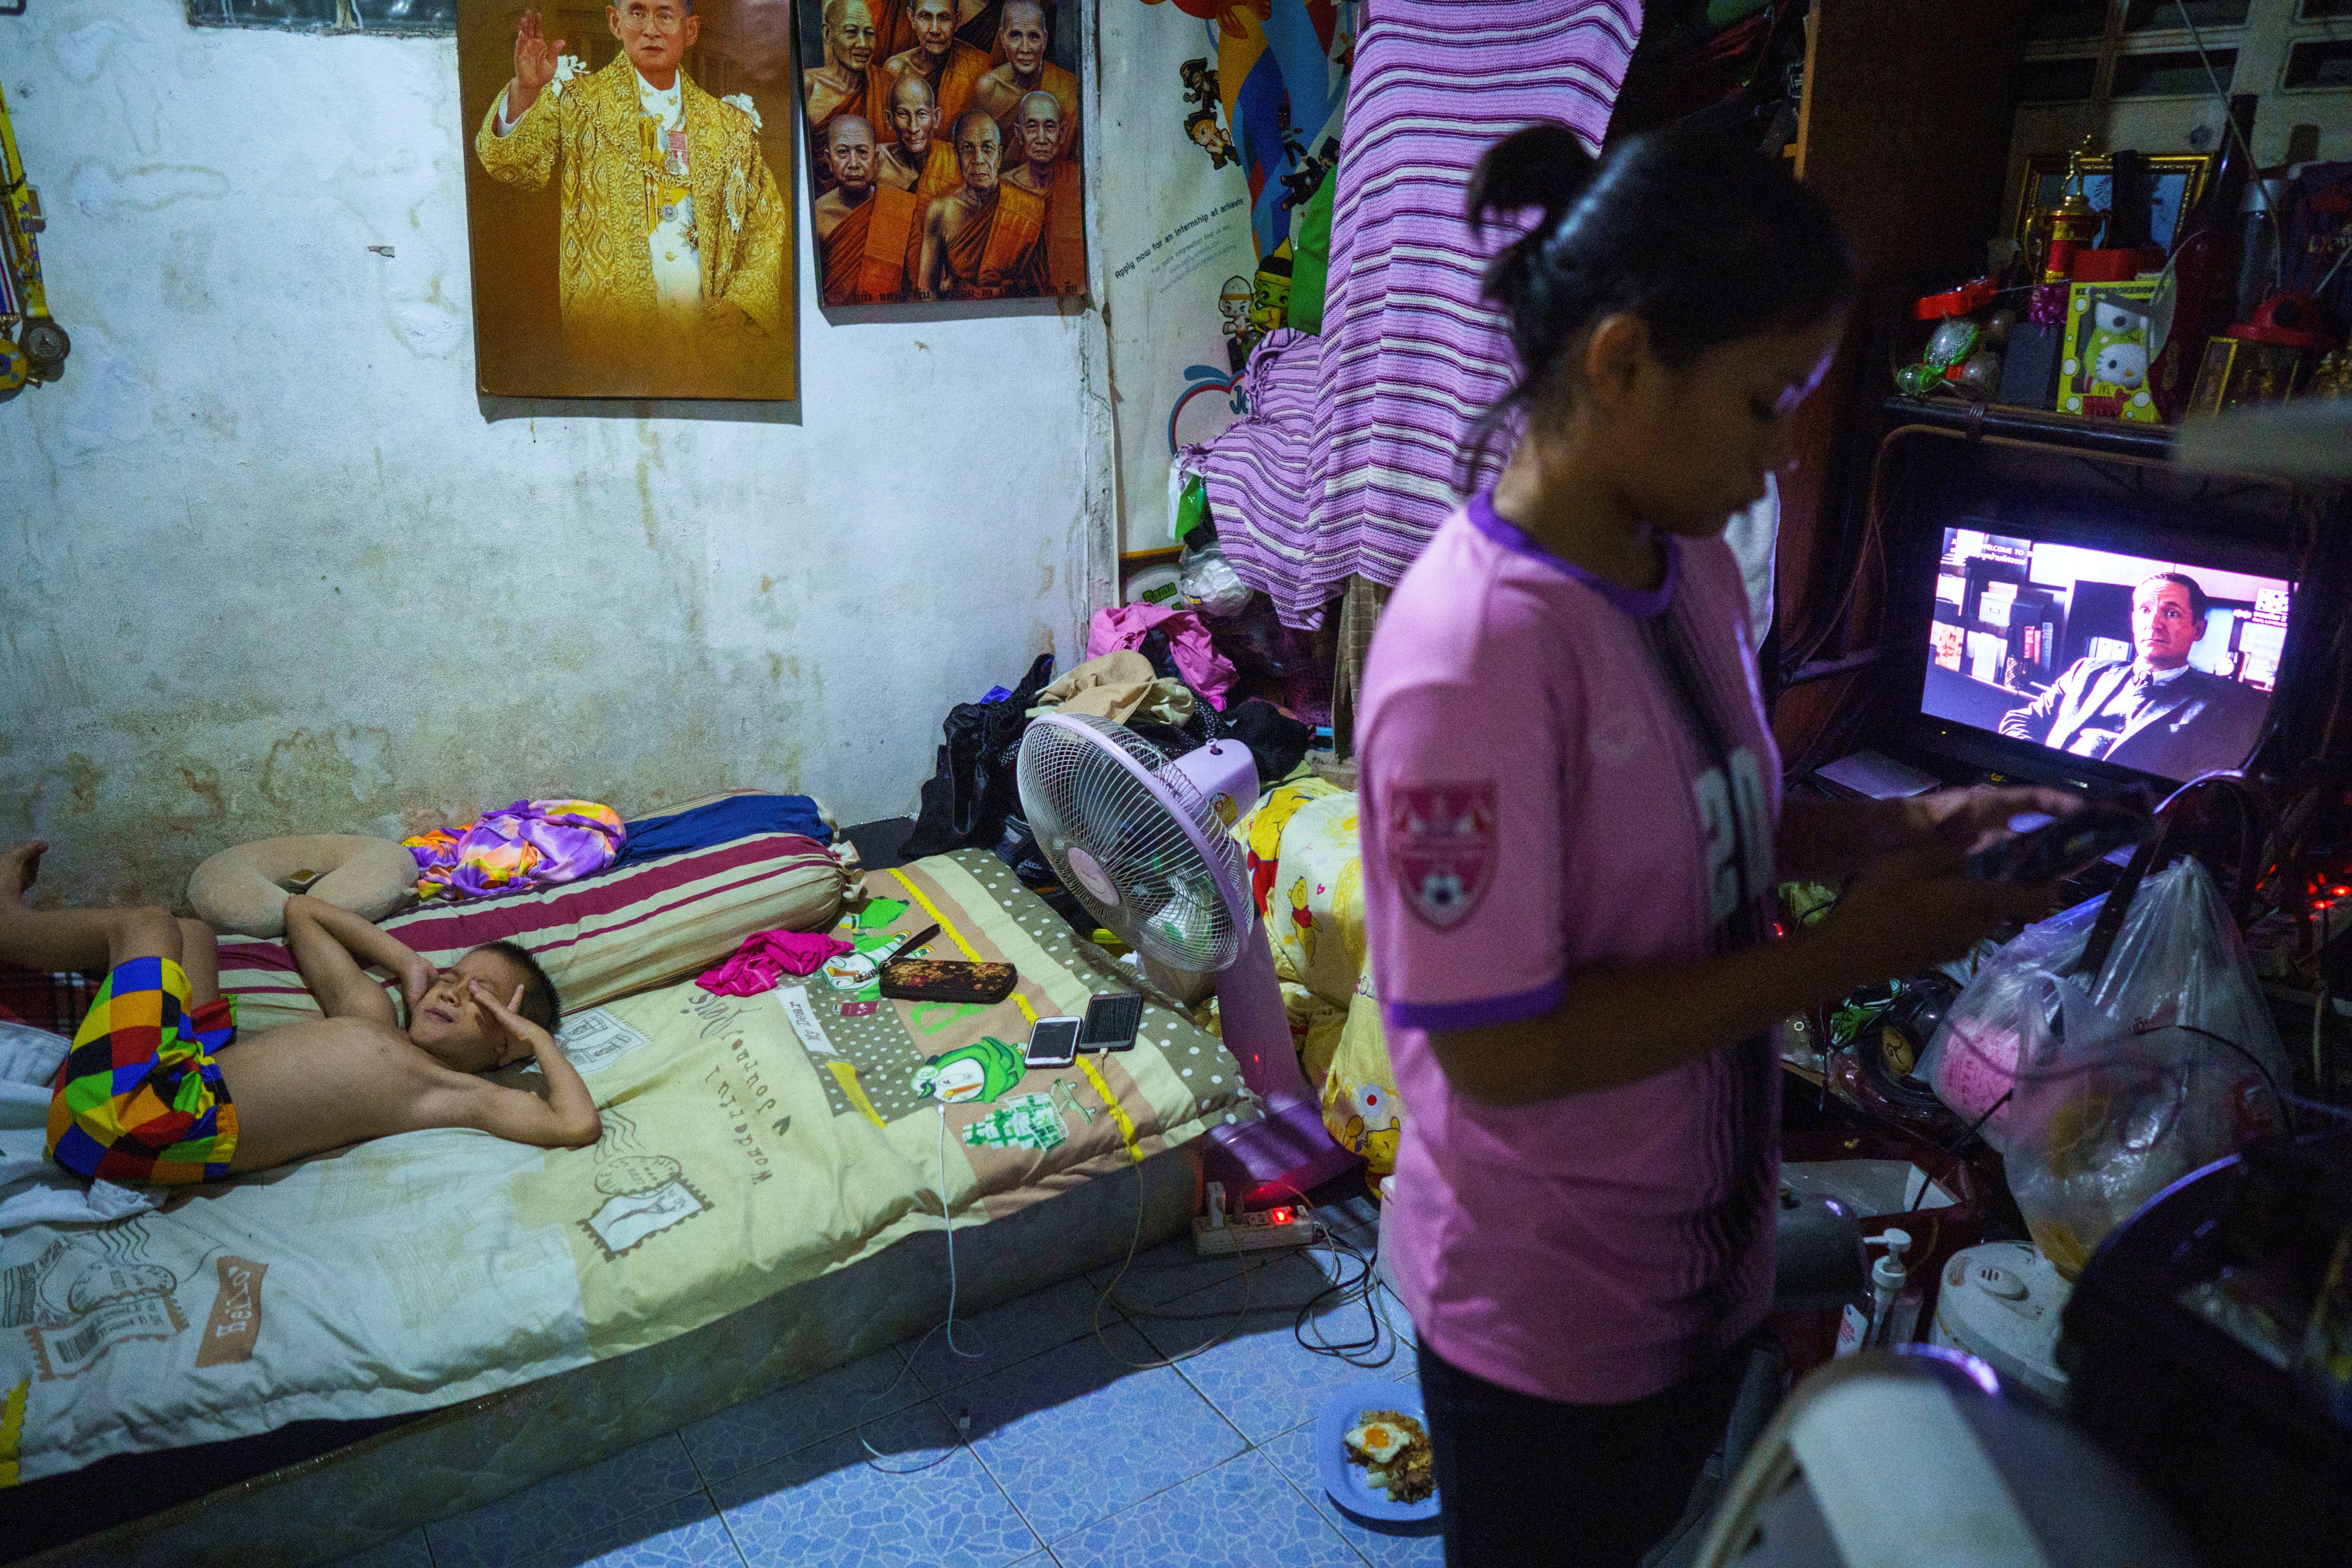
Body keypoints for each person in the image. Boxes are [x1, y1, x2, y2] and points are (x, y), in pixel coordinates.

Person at [1355, 123, 2073, 1568]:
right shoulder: (1468, 657)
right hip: (1545, 1321)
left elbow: (1706, 812)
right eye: (1761, 405)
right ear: (1620, 362)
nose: (1776, 462)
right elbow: (1499, 1048)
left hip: (1696, 1262)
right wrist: (1842, 957)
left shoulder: (1673, 555)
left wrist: (1878, 831)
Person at [4, 842, 599, 1188]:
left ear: (507, 1047)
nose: (453, 993)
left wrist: (534, 1038)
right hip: (174, 1085)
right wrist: (411, 964)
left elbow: (575, 1125)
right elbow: (303, 912)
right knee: (193, 935)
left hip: (140, 1121)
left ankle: (9, 925)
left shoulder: (451, 1092)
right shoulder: (371, 1015)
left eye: (483, 998)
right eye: (453, 978)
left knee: (147, 927)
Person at [475, 4, 788, 348]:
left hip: (707, 344)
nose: (651, 30)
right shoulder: (577, 104)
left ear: (691, 30)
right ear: (615, 22)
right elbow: (511, 166)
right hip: (612, 342)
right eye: (638, 13)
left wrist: (741, 302)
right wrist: (526, 91)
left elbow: (766, 223)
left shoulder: (730, 126)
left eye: (666, 15)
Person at [1998, 571, 2269, 780]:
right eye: (2145, 611)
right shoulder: (2087, 671)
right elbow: (2021, 719)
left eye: (2171, 613)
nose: (2153, 624)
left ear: (2198, 630)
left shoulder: (2220, 706)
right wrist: (2036, 770)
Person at [916, 111, 1045, 300]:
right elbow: (927, 290)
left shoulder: (1027, 208)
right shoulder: (941, 211)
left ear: (999, 156)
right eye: (968, 148)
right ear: (957, 155)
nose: (978, 159)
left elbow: (1039, 289)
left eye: (987, 148)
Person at [802, 0, 894, 181]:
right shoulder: (809, 87)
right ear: (828, 34)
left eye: (869, 34)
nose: (863, 44)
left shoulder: (886, 84)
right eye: (851, 32)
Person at [970, 1, 1075, 160]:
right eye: (1015, 35)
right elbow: (985, 155)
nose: (1025, 48)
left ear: (1045, 40)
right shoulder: (989, 88)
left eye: (1034, 37)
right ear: (1002, 38)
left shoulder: (1068, 88)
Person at [1002, 89, 1083, 295]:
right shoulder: (1003, 189)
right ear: (1019, 134)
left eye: (1049, 127)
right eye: (1032, 127)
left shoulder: (1078, 182)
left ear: (1063, 134)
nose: (1041, 138)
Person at [886, 0, 990, 149]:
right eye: (925, 17)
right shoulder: (896, 70)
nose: (935, 29)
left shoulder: (979, 66)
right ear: (912, 18)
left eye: (944, 18)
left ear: (957, 20)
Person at [875, 73, 960, 197]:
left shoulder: (955, 161)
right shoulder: (875, 162)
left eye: (922, 114)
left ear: (936, 118)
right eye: (903, 114)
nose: (913, 128)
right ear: (889, 119)